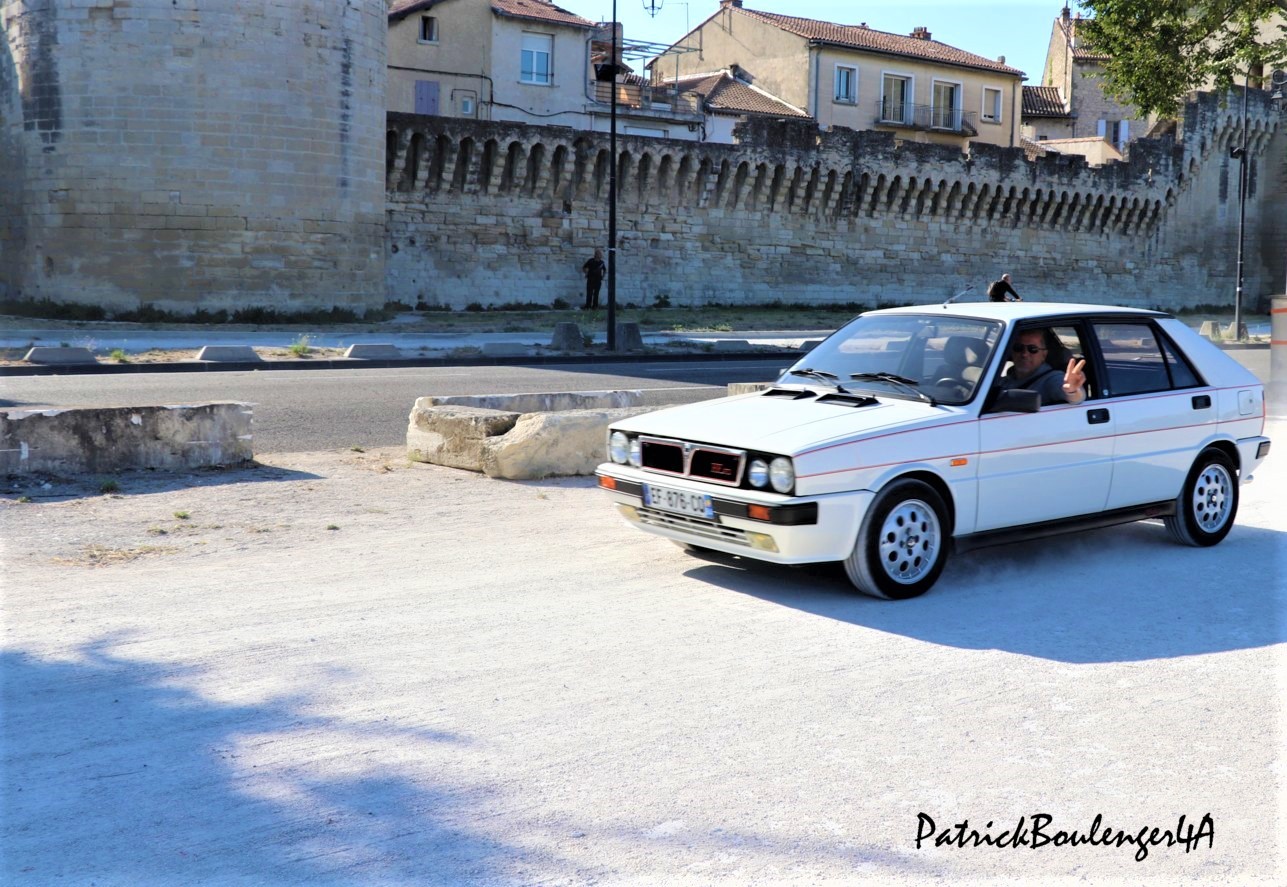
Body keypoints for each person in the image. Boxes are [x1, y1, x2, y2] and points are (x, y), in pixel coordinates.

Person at [998, 328, 1087, 405]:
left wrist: (1072, 391)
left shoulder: (1051, 379)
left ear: (1044, 355)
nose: (1024, 354)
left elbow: (1076, 399)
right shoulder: (1003, 379)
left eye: (1032, 349)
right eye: (1018, 348)